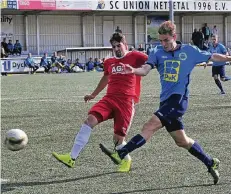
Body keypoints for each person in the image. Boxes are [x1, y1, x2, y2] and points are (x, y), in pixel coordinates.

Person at [100, 21, 231, 184]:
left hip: (179, 99)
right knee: (182, 141)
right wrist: (133, 70)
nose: (163, 44)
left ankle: (121, 153)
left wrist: (228, 58)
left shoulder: (189, 51)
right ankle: (210, 162)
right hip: (165, 101)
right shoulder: (157, 52)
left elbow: (212, 56)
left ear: (174, 37)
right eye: (160, 40)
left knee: (150, 126)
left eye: (166, 40)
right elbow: (146, 70)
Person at [52, 32, 148, 172]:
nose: (116, 49)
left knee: (118, 140)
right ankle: (71, 158)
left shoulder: (136, 56)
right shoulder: (109, 62)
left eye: (118, 45)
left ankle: (126, 161)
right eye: (113, 46)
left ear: (125, 44)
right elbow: (105, 78)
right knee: (89, 120)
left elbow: (152, 62)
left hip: (126, 102)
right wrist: (93, 94)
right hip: (109, 99)